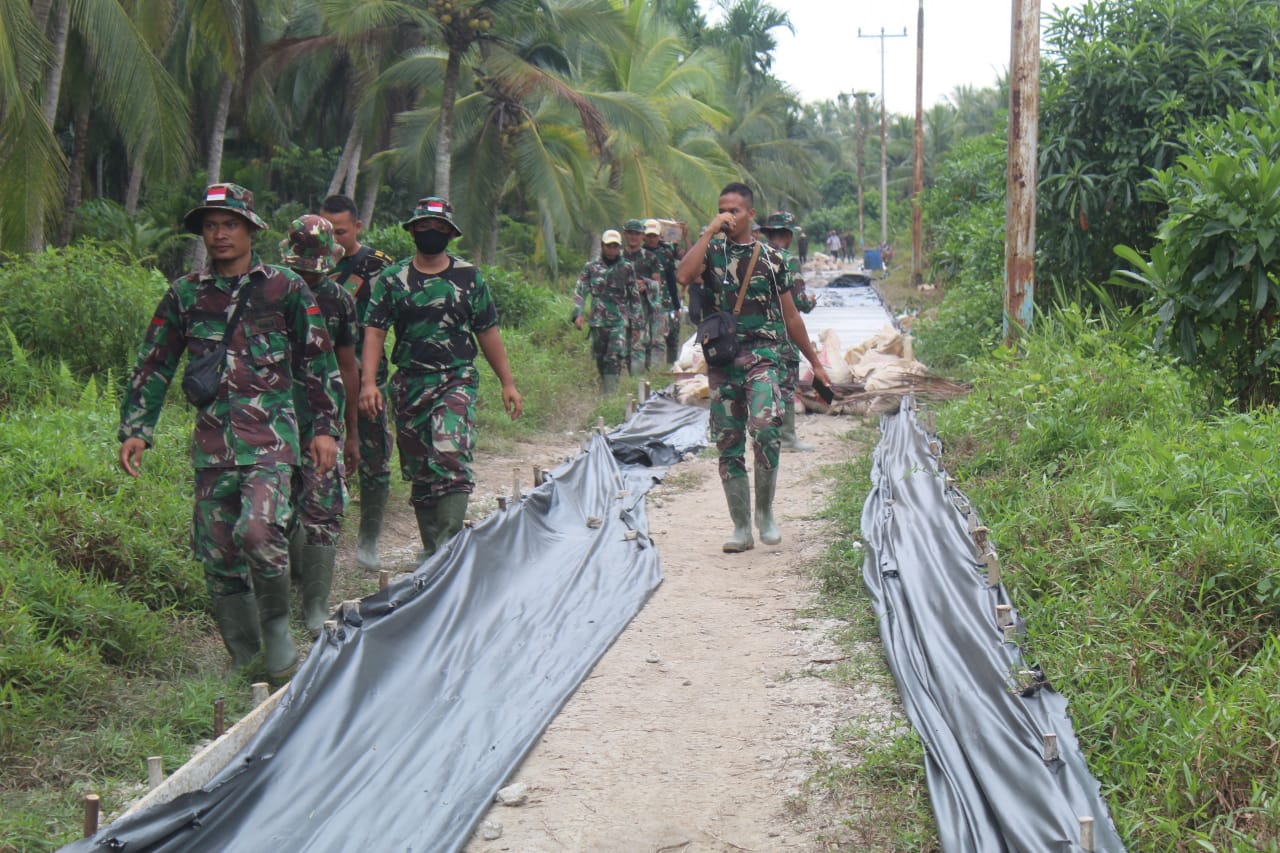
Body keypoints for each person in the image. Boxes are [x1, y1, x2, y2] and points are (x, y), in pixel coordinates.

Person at [118, 183, 341, 679]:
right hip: (212, 447)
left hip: (271, 443)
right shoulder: (185, 294)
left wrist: (324, 428)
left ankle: (278, 629)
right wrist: (136, 428)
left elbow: (317, 361)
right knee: (219, 555)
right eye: (211, 226)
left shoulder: (283, 287)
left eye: (229, 224)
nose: (219, 234)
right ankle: (246, 661)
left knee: (259, 532)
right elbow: (155, 362)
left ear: (250, 230)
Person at [359, 197, 523, 561]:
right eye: (424, 226)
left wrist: (507, 382)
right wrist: (369, 382)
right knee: (420, 470)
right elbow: (374, 331)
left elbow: (488, 330)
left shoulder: (468, 277)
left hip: (455, 378)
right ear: (413, 229)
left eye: (438, 227)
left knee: (450, 455)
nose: (431, 232)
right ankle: (431, 548)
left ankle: (450, 546)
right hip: (409, 382)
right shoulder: (392, 279)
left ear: (449, 232)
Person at [676, 183, 831, 553]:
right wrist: (710, 231)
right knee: (728, 441)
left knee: (765, 429)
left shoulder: (773, 259)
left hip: (763, 356)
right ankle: (741, 527)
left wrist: (814, 362)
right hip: (723, 359)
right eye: (721, 209)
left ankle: (765, 513)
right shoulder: (711, 251)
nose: (727, 216)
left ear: (750, 215)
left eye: (734, 210)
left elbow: (792, 317)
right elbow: (684, 276)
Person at [280, 215, 360, 637]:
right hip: (272, 417)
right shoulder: (267, 291)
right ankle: (289, 588)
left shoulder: (338, 301)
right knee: (279, 507)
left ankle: (315, 604)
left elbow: (347, 367)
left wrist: (352, 430)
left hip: (321, 419)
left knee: (323, 507)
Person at [320, 195, 397, 571]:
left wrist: (370, 380)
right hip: (317, 376)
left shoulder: (377, 266)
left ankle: (368, 540)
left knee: (373, 454)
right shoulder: (307, 262)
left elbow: (382, 326)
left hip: (367, 375)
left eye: (341, 232)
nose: (333, 239)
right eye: (327, 230)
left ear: (357, 227)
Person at [759, 211, 816, 453]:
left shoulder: (755, 256)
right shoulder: (787, 260)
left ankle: (763, 435)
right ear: (789, 235)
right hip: (783, 332)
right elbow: (799, 301)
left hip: (758, 333)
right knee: (785, 385)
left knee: (761, 383)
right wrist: (810, 301)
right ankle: (787, 437)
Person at [573, 229, 639, 395]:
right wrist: (578, 313)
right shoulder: (591, 267)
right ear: (602, 246)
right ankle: (606, 386)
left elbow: (634, 297)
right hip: (598, 321)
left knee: (613, 357)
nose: (612, 250)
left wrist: (636, 324)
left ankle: (610, 396)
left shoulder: (626, 267)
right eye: (609, 246)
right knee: (601, 359)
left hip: (619, 321)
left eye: (615, 247)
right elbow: (580, 291)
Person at [621, 218, 659, 374]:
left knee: (639, 345)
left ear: (642, 236)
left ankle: (635, 381)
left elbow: (658, 284)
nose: (633, 237)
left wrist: (646, 284)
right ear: (625, 234)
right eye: (630, 233)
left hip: (642, 309)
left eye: (637, 234)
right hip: (620, 308)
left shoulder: (650, 257)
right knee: (620, 345)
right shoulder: (618, 256)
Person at [642, 218, 681, 368]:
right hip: (645, 302)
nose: (652, 239)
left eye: (654, 236)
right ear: (644, 236)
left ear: (659, 236)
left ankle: (671, 365)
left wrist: (676, 306)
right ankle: (649, 369)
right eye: (649, 236)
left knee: (669, 335)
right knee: (647, 337)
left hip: (664, 301)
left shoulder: (666, 253)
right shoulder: (639, 254)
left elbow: (671, 280)